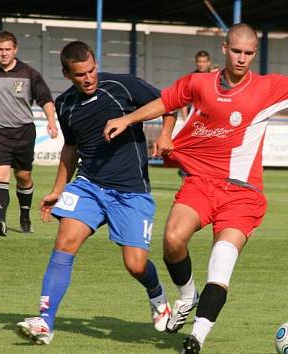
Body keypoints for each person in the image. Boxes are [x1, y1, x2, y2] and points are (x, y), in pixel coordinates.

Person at [103, 10, 288, 353]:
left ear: (254, 54)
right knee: (171, 240)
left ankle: (196, 337)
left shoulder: (267, 88)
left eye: (249, 53)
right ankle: (188, 296)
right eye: (237, 51)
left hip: (243, 196)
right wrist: (127, 118)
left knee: (221, 264)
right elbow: (167, 102)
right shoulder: (198, 83)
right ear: (224, 48)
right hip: (201, 184)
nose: (243, 58)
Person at [16, 41, 173, 345]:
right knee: (64, 243)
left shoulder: (120, 86)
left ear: (95, 64)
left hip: (130, 191)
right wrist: (56, 190)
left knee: (135, 264)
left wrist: (165, 134)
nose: (88, 78)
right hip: (89, 185)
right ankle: (45, 322)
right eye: (80, 75)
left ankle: (157, 294)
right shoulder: (65, 105)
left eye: (91, 71)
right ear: (66, 73)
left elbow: (169, 103)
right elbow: (71, 148)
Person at [0, 30, 58, 236]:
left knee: (23, 176)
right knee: (0, 175)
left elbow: (46, 100)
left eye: (8, 49)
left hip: (23, 132)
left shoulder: (30, 74)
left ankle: (25, 214)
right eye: (0, 49)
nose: (4, 53)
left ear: (15, 50)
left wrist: (52, 122)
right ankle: (0, 221)